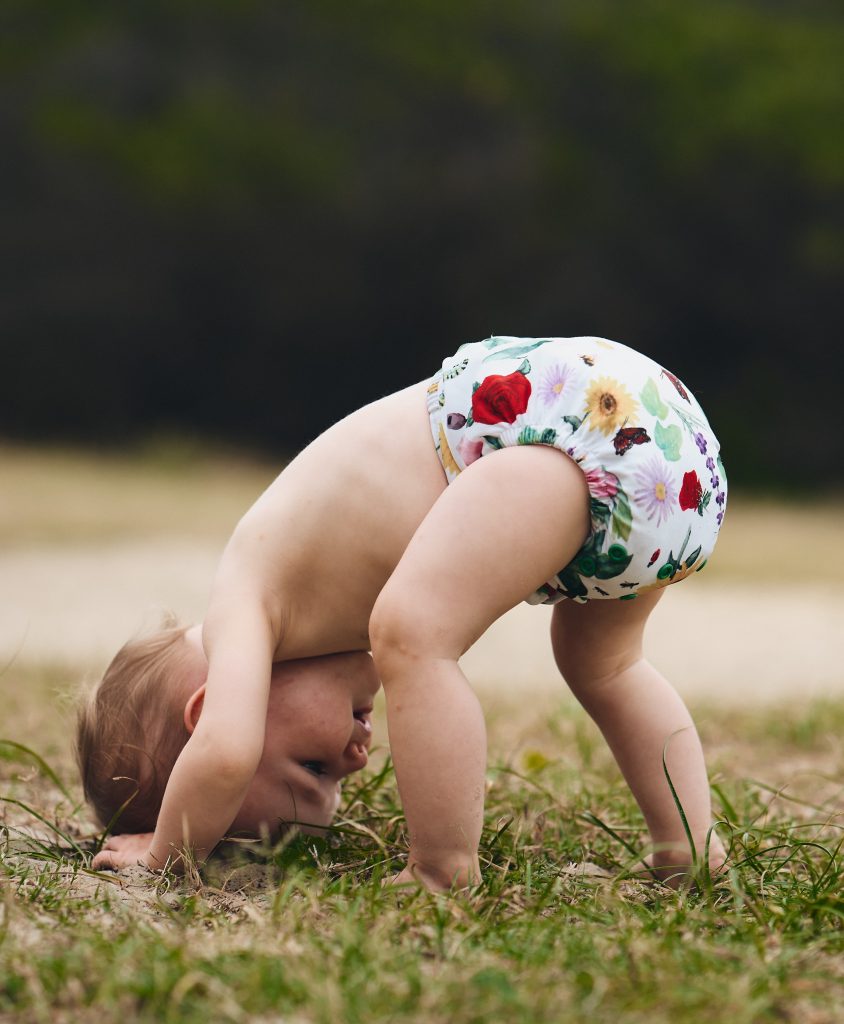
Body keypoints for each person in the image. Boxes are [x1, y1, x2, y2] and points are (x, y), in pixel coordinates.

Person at [84, 335, 728, 889]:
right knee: (607, 665)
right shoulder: (287, 593)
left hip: (570, 421)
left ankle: (442, 870)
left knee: (412, 634)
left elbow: (226, 752)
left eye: (312, 767)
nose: (358, 758)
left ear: (204, 710)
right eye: (334, 777)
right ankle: (691, 850)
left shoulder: (242, 606)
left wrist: (166, 853)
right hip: (669, 469)